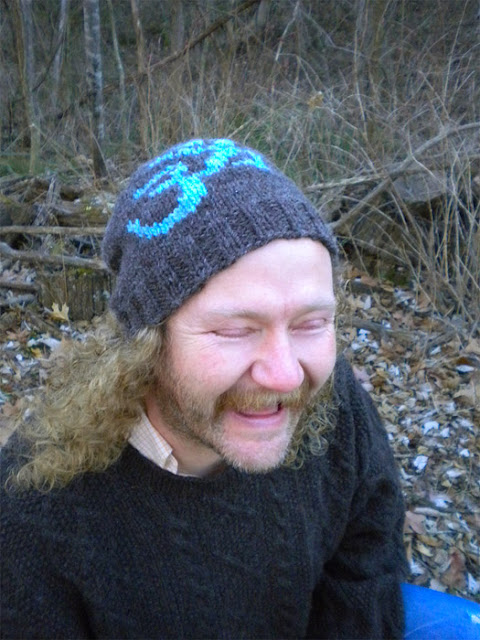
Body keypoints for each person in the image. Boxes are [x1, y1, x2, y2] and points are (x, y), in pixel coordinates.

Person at [1, 138, 408, 639]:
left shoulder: (334, 399)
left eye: (311, 323)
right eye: (235, 330)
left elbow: (369, 548)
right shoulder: (34, 513)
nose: (287, 376)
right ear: (147, 341)